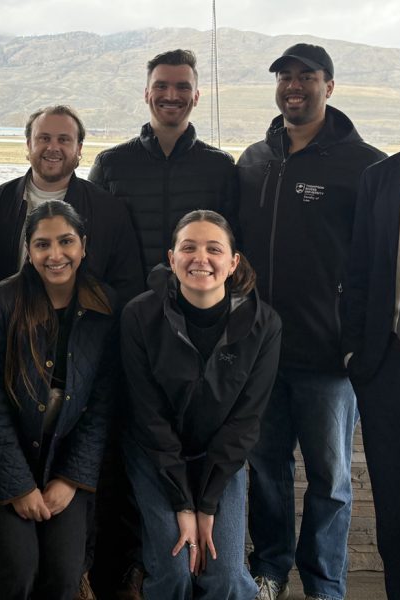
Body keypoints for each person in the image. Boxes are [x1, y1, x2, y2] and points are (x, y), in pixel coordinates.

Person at [237, 44, 386, 600]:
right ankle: (270, 568)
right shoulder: (254, 158)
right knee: (266, 468)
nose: (294, 86)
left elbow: (378, 260)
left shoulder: (364, 164)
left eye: (308, 77)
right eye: (285, 77)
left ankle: (325, 582)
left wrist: (359, 340)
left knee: (331, 480)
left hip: (328, 355)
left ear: (330, 85)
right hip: (260, 352)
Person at [121, 209, 281, 600]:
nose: (201, 259)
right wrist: (181, 503)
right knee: (176, 571)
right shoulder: (139, 316)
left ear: (232, 262)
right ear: (172, 258)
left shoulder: (264, 324)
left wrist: (205, 505)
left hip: (219, 457)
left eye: (214, 249)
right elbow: (148, 417)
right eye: (188, 248)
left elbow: (244, 422)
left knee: (224, 576)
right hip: (156, 455)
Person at [0, 200, 117, 599]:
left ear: (83, 245)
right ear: (28, 251)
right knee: (18, 569)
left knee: (65, 574)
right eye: (42, 244)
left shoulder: (104, 307)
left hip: (66, 460)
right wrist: (19, 485)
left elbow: (101, 407)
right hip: (1, 459)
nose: (55, 255)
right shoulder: (2, 303)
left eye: (66, 242)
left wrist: (70, 480)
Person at [341, 41, 400, 600]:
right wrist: (357, 357)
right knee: (396, 516)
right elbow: (360, 273)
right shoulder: (384, 178)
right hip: (389, 370)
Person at [89, 49, 237, 280]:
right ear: (147, 94)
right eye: (161, 86)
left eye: (182, 87)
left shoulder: (221, 167)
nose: (171, 95)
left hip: (197, 304)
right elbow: (94, 242)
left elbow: (233, 242)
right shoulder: (110, 165)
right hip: (127, 304)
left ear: (196, 96)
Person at [0, 105, 143, 307]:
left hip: (83, 332)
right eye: (44, 138)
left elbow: (127, 286)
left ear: (79, 148)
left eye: (64, 140)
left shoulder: (109, 211)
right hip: (9, 329)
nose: (53, 147)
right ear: (28, 144)